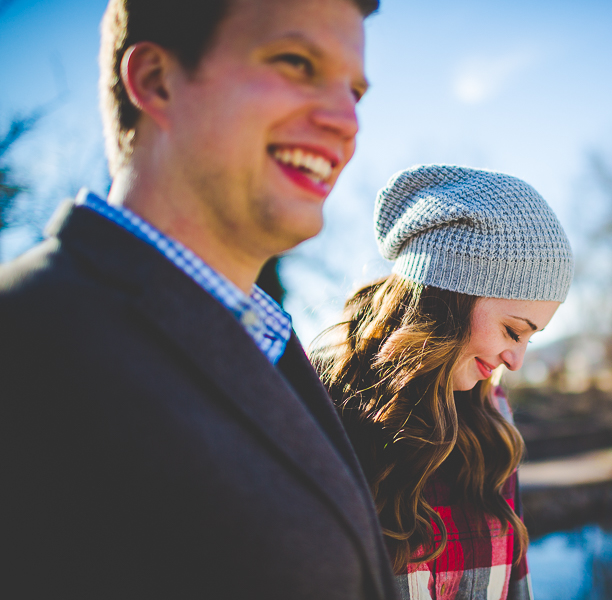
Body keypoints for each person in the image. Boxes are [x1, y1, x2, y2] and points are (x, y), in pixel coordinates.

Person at [0, 1, 400, 598]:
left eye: (355, 92)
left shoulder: (272, 343)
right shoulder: (25, 338)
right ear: (156, 82)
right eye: (296, 63)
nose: (348, 121)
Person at [313, 164, 574, 600]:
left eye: (530, 338)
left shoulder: (493, 418)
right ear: (449, 298)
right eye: (513, 331)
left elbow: (517, 586)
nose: (516, 359)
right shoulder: (317, 407)